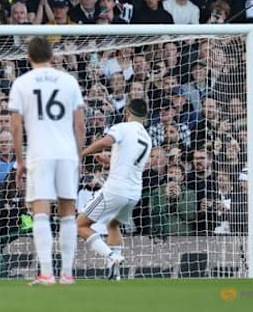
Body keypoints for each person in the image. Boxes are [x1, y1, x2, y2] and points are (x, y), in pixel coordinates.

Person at [9, 36, 85, 286]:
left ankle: (46, 273)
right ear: (52, 55)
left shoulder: (22, 82)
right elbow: (79, 124)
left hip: (40, 153)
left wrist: (20, 160)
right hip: (66, 153)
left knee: (40, 213)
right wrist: (78, 156)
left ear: (28, 57)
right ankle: (67, 274)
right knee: (67, 214)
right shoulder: (69, 81)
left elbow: (16, 127)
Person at [77, 99, 152, 281]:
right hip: (134, 193)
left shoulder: (123, 127)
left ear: (128, 112)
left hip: (115, 190)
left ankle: (113, 256)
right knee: (113, 225)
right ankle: (114, 273)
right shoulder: (147, 138)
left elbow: (105, 142)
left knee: (80, 225)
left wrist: (81, 153)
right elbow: (130, 165)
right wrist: (109, 162)